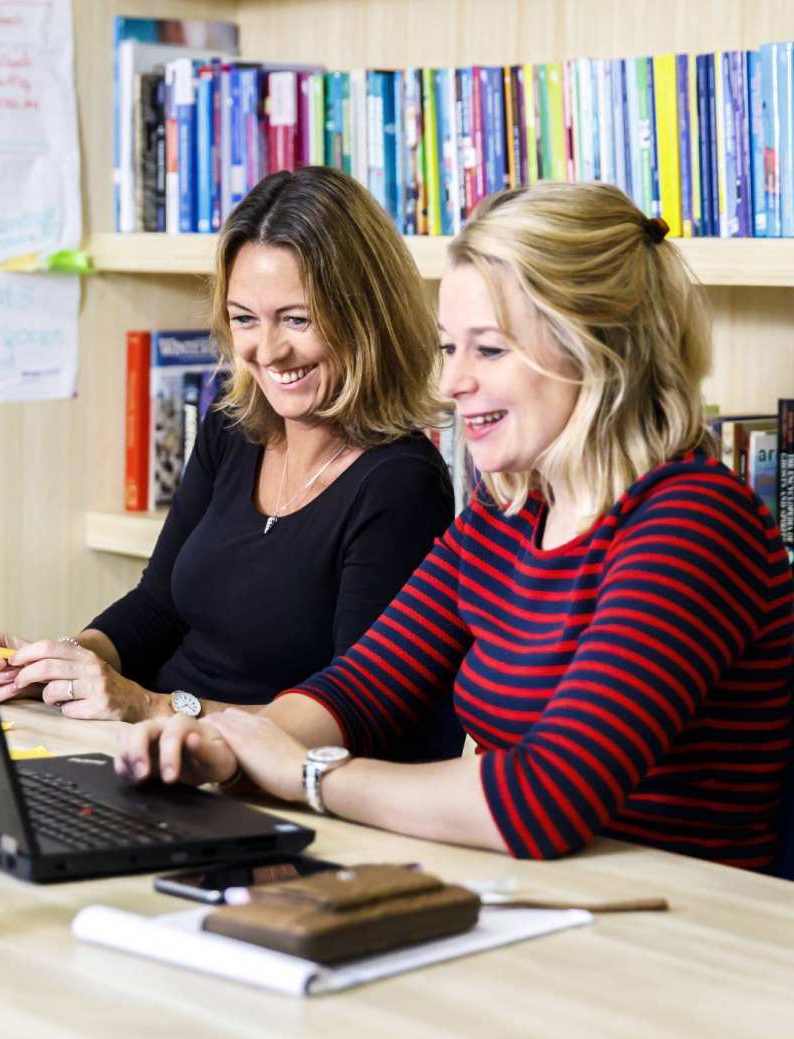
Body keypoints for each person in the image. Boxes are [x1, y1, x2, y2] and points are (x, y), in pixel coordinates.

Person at [117, 181, 794, 872]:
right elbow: (361, 685)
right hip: (548, 901)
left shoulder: (694, 522)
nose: (451, 383)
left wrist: (309, 775)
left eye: (489, 351)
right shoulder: (507, 513)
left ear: (598, 350)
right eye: (449, 348)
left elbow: (545, 797)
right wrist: (226, 745)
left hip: (691, 932)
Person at [0, 166, 460, 758]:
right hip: (155, 751)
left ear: (364, 316)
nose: (268, 350)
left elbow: (356, 718)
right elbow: (158, 605)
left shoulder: (400, 484)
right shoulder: (233, 430)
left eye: (298, 318)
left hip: (259, 778)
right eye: (244, 319)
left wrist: (151, 705)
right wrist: (60, 665)